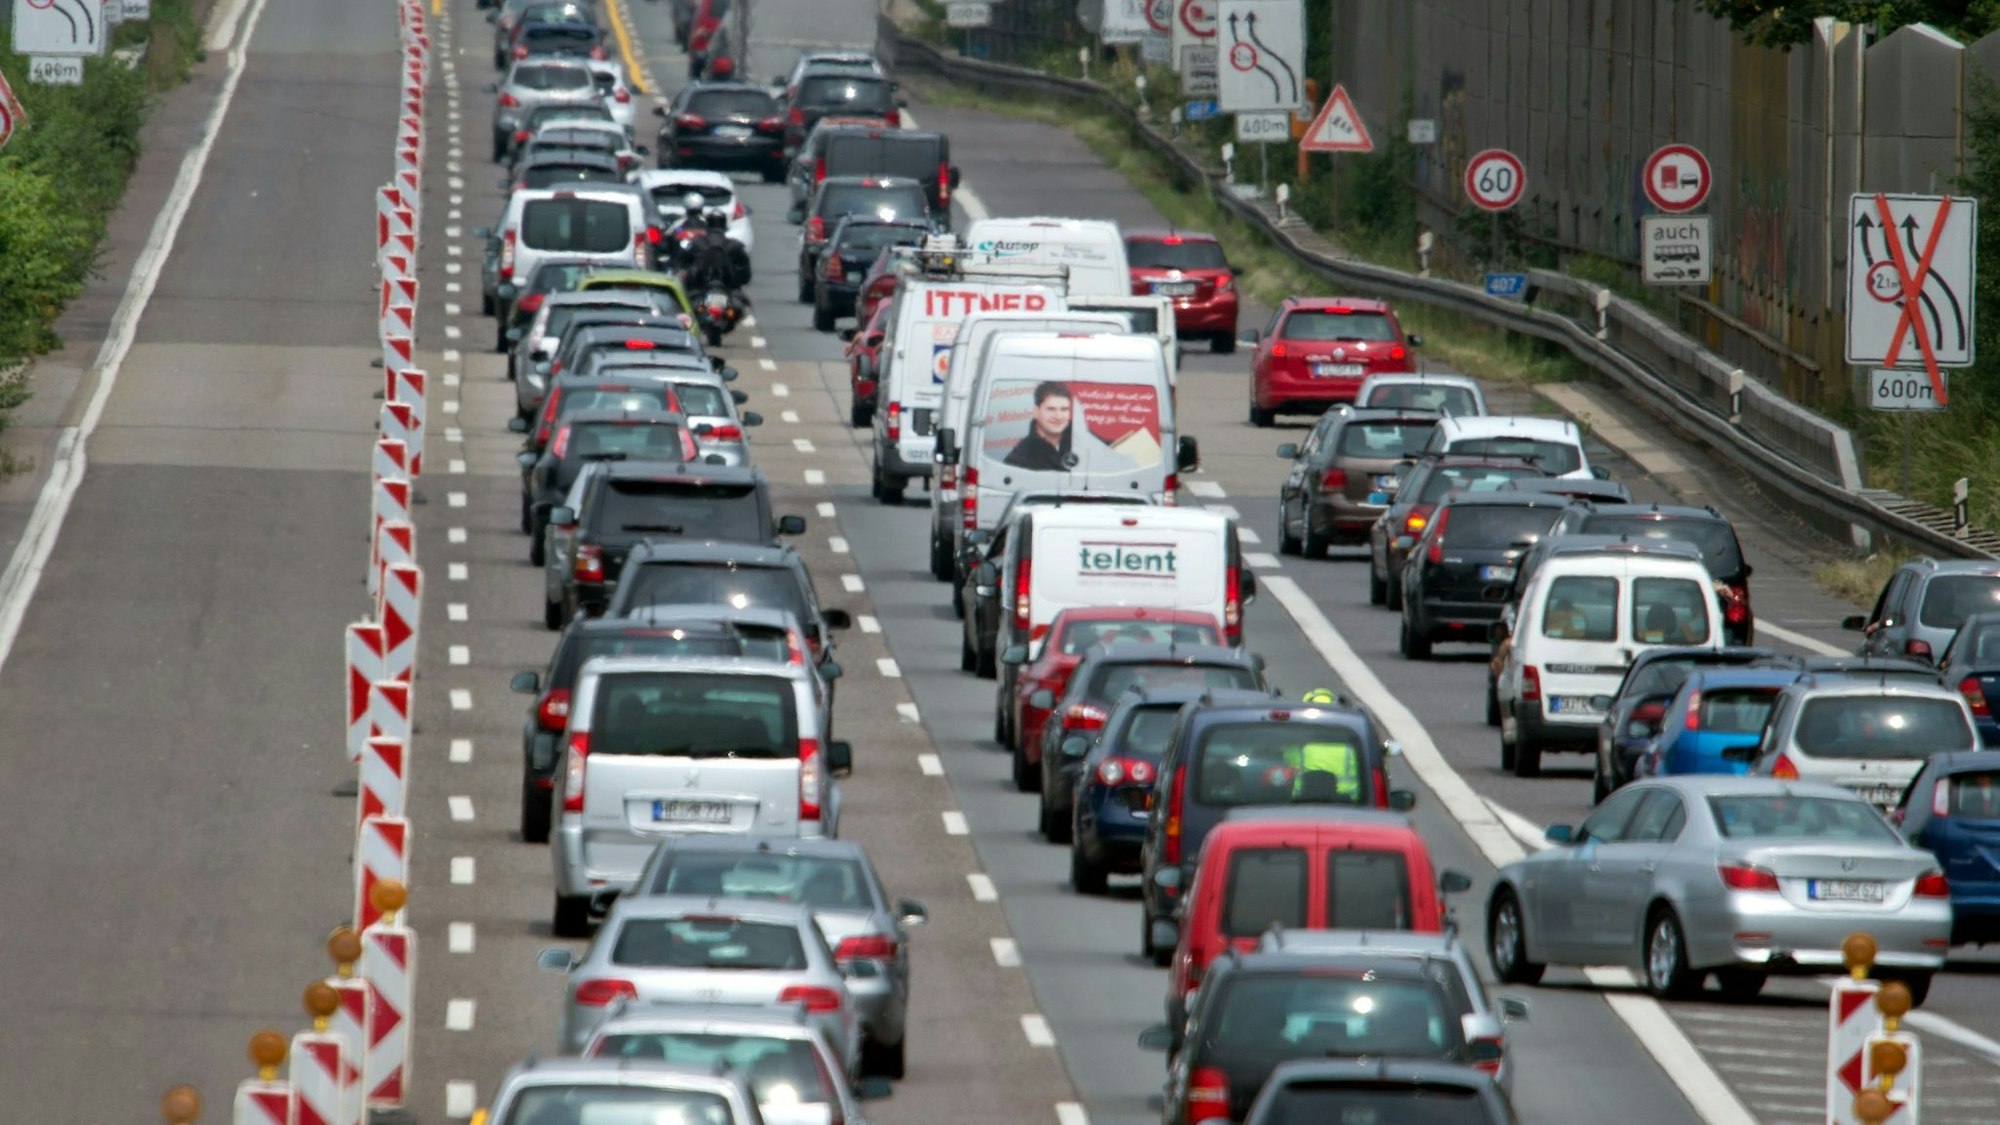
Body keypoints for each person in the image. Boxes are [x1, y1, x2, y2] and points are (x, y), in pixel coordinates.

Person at [1003, 381, 1075, 470]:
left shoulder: (1084, 443)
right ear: (1036, 412)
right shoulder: (1018, 459)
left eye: (1064, 409)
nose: (1058, 416)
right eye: (1051, 409)